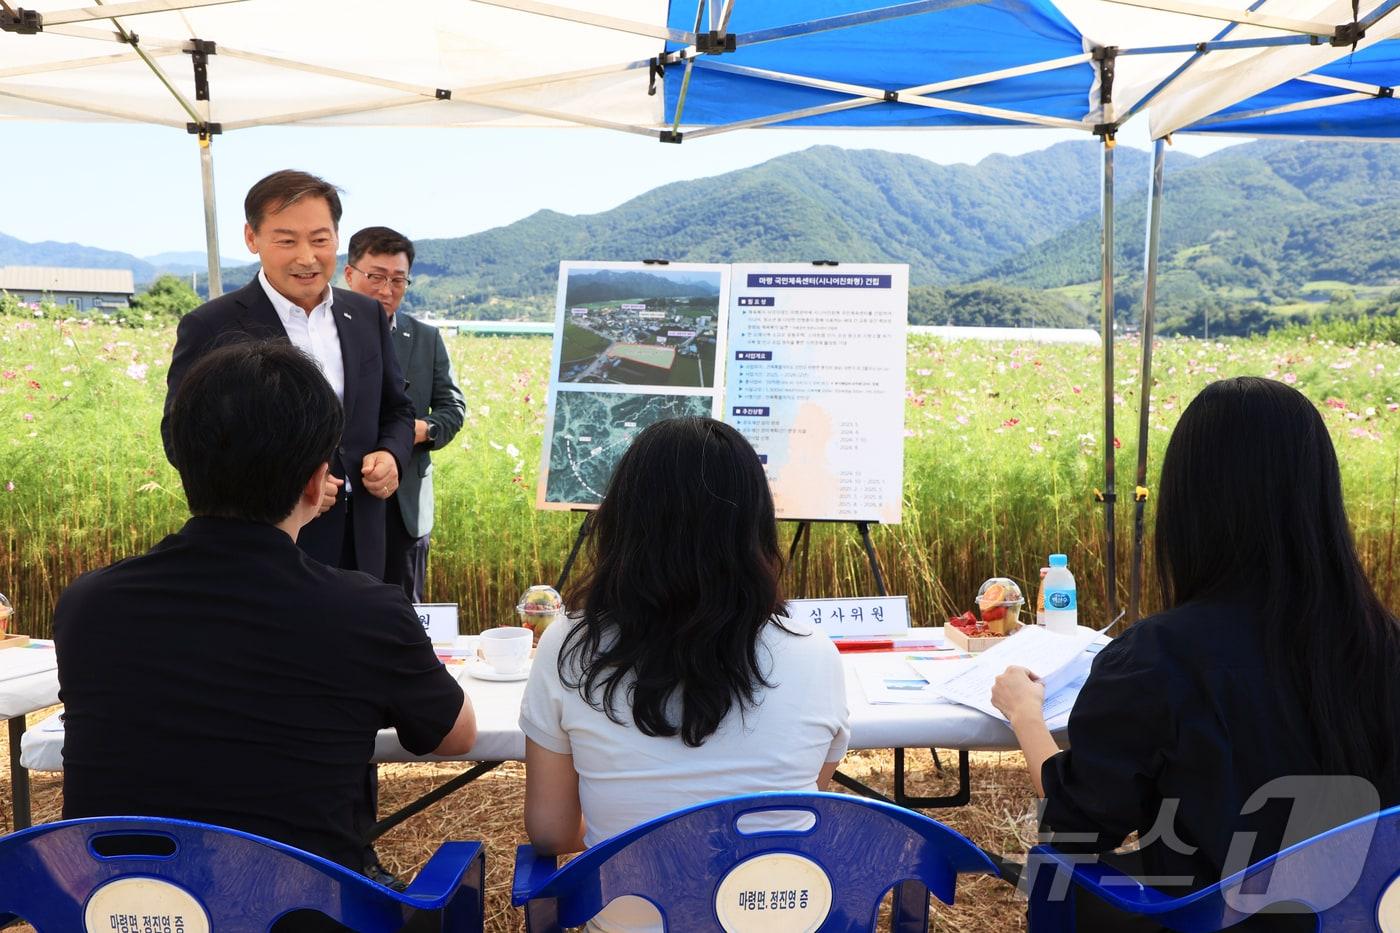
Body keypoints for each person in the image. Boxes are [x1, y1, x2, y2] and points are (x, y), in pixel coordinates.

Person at [992, 376, 1400, 930]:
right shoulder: (1384, 645)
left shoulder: (1161, 657)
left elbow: (1075, 824)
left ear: (1189, 505)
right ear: (1320, 495)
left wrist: (1025, 714)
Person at [57, 340, 476, 876]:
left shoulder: (88, 604)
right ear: (314, 481)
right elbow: (457, 735)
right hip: (303, 908)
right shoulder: (363, 612)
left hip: (121, 905)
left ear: (181, 458)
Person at [520, 416, 850, 932]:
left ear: (624, 521)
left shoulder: (570, 644)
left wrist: (632, 827)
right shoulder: (815, 653)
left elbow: (551, 831)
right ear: (756, 526)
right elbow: (798, 807)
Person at [161, 170, 414, 580]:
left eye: (319, 239)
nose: (307, 257)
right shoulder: (212, 325)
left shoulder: (365, 315)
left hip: (363, 540)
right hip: (266, 546)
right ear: (252, 238)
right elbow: (181, 440)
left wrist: (392, 455)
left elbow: (397, 410)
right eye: (286, 240)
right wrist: (286, 487)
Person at [343, 226, 465, 602]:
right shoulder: (324, 332)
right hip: (337, 499)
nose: (386, 289)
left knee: (402, 610)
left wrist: (418, 430)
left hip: (404, 502)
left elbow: (452, 408)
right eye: (375, 277)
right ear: (348, 274)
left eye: (398, 279)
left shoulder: (425, 338)